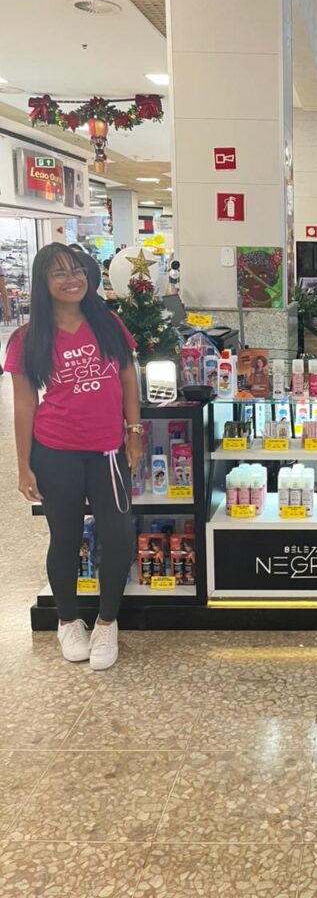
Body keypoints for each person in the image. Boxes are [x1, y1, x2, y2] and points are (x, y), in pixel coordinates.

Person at [4, 242, 142, 670]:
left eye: (77, 270)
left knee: (118, 536)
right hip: (56, 452)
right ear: (43, 283)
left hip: (108, 453)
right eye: (59, 273)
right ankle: (67, 621)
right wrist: (23, 465)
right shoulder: (28, 339)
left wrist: (134, 432)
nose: (71, 280)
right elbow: (24, 404)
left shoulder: (107, 322)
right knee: (64, 538)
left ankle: (106, 622)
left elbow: (128, 376)